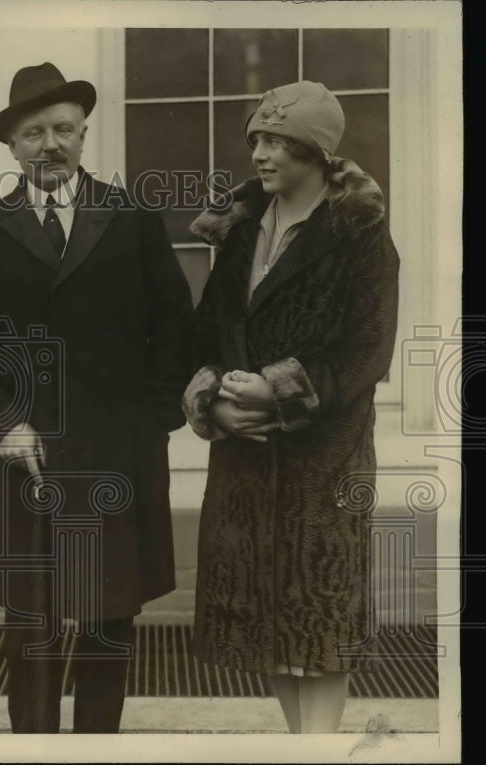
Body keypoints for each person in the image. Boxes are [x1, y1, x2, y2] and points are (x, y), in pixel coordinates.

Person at [0, 62, 193, 733]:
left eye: (63, 128)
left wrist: (152, 420)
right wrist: (4, 423)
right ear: (11, 146)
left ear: (84, 134)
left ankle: (97, 745)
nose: (50, 144)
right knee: (30, 616)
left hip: (118, 450)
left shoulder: (132, 220)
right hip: (25, 455)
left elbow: (174, 324)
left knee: (108, 612)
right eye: (34, 132)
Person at [181, 81, 400, 733]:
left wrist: (281, 391)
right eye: (258, 139)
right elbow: (208, 332)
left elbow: (369, 352)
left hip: (323, 463)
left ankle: (319, 745)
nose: (262, 154)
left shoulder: (359, 238)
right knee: (262, 619)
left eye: (278, 142)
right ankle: (302, 741)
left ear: (315, 151)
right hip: (245, 460)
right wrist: (212, 398)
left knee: (321, 614)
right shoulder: (242, 231)